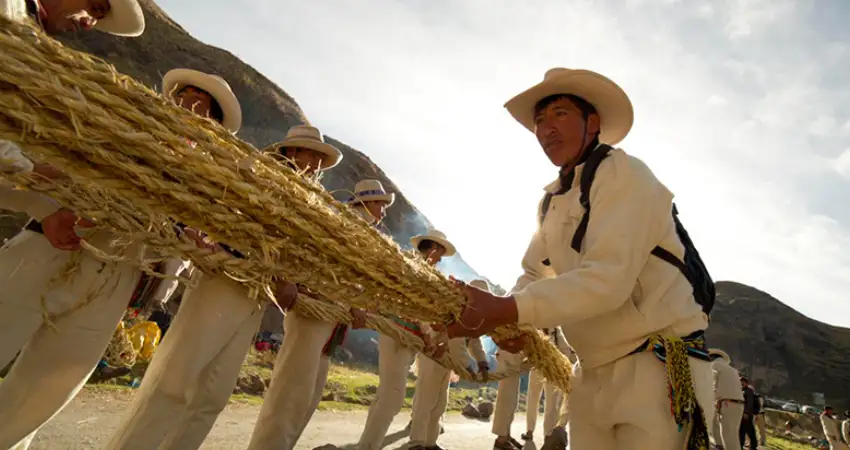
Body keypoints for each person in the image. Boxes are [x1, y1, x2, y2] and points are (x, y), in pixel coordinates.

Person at [444, 68, 716, 450]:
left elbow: (607, 281)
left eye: (560, 114)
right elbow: (533, 273)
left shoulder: (626, 175)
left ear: (594, 122)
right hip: (589, 373)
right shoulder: (552, 200)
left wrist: (508, 310)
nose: (546, 128)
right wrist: (514, 321)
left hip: (656, 370)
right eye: (539, 120)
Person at [103, 73, 319, 450]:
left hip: (255, 294)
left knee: (212, 397)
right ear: (291, 152)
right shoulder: (258, 174)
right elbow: (223, 211)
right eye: (309, 154)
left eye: (320, 159)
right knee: (174, 381)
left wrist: (286, 276)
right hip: (225, 279)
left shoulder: (309, 202)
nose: (315, 164)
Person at [0, 1, 144, 449]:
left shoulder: (34, 42)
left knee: (45, 388)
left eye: (99, 17)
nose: (90, 22)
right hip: (45, 244)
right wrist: (40, 184)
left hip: (103, 263)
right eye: (95, 7)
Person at [406, 278, 491, 450]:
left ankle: (430, 443)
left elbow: (474, 340)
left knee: (439, 404)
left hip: (448, 361)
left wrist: (482, 362)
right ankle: (416, 443)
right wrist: (467, 367)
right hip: (433, 355)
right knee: (426, 401)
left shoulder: (472, 314)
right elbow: (456, 342)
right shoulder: (456, 307)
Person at [709, 349, 743, 450]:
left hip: (727, 403)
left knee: (727, 437)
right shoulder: (733, 370)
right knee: (733, 436)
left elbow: (712, 384)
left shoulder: (714, 366)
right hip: (738, 404)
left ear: (712, 357)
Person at [739, 377, 758, 450]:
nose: (741, 384)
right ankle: (751, 445)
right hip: (744, 414)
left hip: (746, 414)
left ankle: (752, 446)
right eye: (740, 383)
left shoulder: (749, 391)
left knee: (747, 431)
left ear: (746, 383)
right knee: (745, 431)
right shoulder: (743, 390)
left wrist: (746, 412)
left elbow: (749, 403)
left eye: (742, 383)